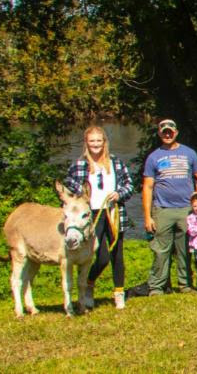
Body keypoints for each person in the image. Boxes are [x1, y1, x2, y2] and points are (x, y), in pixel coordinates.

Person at [64, 126, 134, 309]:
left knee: (117, 254)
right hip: (91, 214)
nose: (96, 144)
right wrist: (81, 194)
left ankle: (119, 292)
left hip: (113, 212)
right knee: (100, 256)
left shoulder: (115, 162)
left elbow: (129, 184)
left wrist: (119, 194)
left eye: (99, 141)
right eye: (92, 141)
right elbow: (67, 189)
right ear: (86, 143)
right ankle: (88, 284)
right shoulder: (79, 165)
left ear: (104, 142)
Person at [143, 119, 197, 296]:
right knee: (161, 250)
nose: (168, 134)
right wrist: (148, 216)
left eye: (170, 131)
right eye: (164, 132)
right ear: (159, 134)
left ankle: (185, 284)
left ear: (176, 132)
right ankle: (157, 287)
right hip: (162, 209)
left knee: (185, 248)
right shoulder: (153, 157)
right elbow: (147, 187)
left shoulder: (190, 153)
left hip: (186, 209)